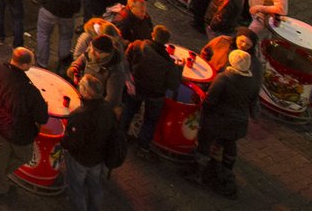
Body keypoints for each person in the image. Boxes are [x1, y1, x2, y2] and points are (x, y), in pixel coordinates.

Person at [0, 47, 49, 199]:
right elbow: (42, 117)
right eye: (30, 64)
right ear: (24, 65)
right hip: (19, 132)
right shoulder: (30, 91)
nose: (31, 66)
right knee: (24, 156)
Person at [188, 49, 259, 196]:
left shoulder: (224, 78)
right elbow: (253, 104)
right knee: (229, 144)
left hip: (217, 121)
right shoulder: (252, 82)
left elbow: (210, 101)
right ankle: (225, 171)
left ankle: (198, 173)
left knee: (205, 144)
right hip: (238, 123)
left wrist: (203, 109)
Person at [60, 72, 119, 211]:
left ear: (86, 93)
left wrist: (63, 141)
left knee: (76, 187)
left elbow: (73, 142)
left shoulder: (80, 115)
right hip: (99, 158)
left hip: (81, 158)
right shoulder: (108, 110)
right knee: (95, 185)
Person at [124, 24, 177, 152]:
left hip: (136, 87)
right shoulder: (169, 63)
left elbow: (126, 60)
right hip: (156, 95)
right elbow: (173, 84)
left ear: (153, 34)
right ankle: (143, 146)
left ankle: (121, 136)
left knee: (129, 111)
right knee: (150, 120)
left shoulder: (137, 46)